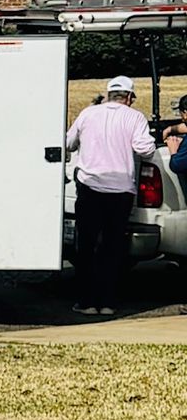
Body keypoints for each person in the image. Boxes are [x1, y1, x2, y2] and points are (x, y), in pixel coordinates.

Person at [66, 75, 156, 316]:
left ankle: (85, 301)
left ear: (108, 95)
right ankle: (107, 302)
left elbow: (69, 142)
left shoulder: (88, 113)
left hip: (90, 186)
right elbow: (145, 149)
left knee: (86, 245)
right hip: (120, 190)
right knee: (112, 247)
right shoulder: (134, 117)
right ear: (128, 97)